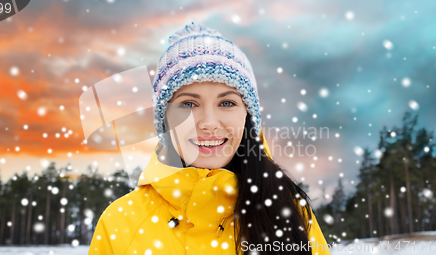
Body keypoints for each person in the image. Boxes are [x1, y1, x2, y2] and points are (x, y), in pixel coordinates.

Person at [88, 22, 331, 255]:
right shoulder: (120, 222)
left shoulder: (288, 210)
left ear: (247, 115)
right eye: (188, 104)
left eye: (227, 102)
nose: (209, 123)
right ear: (165, 119)